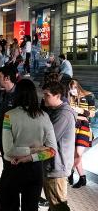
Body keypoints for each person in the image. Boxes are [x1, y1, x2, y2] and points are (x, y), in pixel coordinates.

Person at [0, 79, 57, 211]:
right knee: (30, 208)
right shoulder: (44, 116)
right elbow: (52, 150)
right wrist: (34, 152)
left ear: (17, 94)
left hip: (13, 167)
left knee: (8, 207)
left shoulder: (9, 116)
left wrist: (26, 153)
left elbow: (8, 151)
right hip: (35, 170)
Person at [42, 81, 76, 211]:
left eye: (47, 95)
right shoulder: (55, 111)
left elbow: (48, 139)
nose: (44, 97)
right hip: (52, 166)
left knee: (58, 206)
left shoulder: (63, 114)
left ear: (58, 95)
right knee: (54, 205)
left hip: (57, 167)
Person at [68, 80, 96, 188]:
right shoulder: (71, 98)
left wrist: (79, 110)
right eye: (70, 90)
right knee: (75, 154)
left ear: (78, 87)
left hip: (84, 127)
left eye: (74, 89)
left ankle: (70, 172)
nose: (72, 92)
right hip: (73, 127)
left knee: (78, 153)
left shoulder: (89, 96)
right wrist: (78, 114)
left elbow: (92, 114)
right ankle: (82, 178)